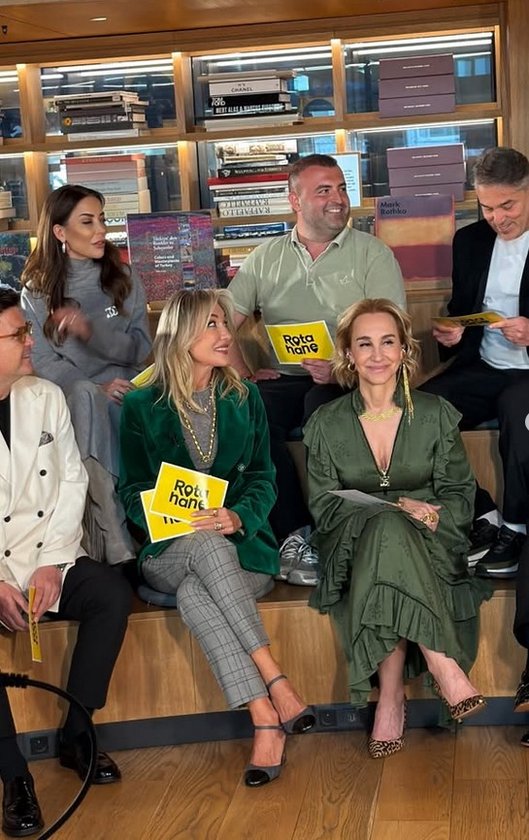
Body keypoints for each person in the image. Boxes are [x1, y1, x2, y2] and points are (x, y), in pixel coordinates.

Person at [118, 288, 315, 788]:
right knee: (203, 545)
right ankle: (274, 677)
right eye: (211, 324)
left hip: (241, 549)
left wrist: (237, 517)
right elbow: (131, 491)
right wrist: (172, 514)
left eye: (225, 323)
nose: (226, 334)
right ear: (181, 333)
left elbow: (264, 478)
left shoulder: (244, 397)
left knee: (196, 589)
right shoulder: (141, 405)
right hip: (170, 548)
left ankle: (264, 717)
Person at [304, 298, 491, 758]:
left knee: (391, 535)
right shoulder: (326, 423)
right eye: (364, 344)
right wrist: (393, 508)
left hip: (431, 540)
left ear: (405, 350)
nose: (377, 354)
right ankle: (442, 662)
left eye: (388, 342)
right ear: (348, 354)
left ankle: (390, 697)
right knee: (386, 527)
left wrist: (434, 514)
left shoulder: (436, 413)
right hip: (353, 543)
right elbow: (325, 507)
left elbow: (459, 493)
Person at [228, 153, 406, 582]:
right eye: (324, 190)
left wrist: (344, 366)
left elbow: (391, 336)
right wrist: (245, 373)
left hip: (356, 380)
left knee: (319, 404)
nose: (338, 199)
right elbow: (219, 323)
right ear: (295, 200)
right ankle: (293, 534)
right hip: (287, 378)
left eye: (341, 188)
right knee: (246, 406)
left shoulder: (372, 254)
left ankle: (337, 532)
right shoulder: (265, 257)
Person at [0, 288, 131, 837]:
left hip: (46, 555)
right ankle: (13, 777)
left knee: (110, 595)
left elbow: (72, 481)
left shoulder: (45, 395)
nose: (31, 340)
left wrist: (54, 563)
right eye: (17, 334)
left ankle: (78, 733)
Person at [20, 184, 152, 565]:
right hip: (77, 396)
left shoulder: (124, 279)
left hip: (131, 387)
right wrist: (96, 387)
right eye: (88, 222)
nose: (101, 231)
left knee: (122, 404)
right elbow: (43, 362)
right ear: (60, 232)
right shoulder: (36, 293)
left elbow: (141, 350)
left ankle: (131, 533)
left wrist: (91, 332)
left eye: (102, 220)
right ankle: (113, 529)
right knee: (84, 396)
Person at [421, 146, 529, 579]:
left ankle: (517, 531)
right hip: (482, 366)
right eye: (487, 208)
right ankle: (483, 513)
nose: (497, 218)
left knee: (519, 413)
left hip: (526, 375)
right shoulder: (469, 241)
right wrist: (452, 333)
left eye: (508, 206)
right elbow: (460, 309)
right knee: (414, 413)